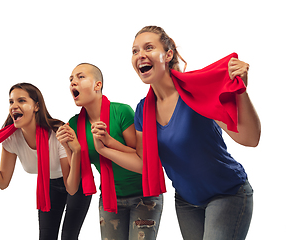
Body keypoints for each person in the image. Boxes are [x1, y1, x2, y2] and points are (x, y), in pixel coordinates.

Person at [94, 26, 261, 240]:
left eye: (149, 47)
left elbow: (250, 138)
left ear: (168, 55)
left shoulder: (196, 91)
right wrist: (105, 147)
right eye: (135, 51)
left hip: (227, 193)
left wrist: (241, 92)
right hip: (187, 202)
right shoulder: (143, 110)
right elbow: (144, 163)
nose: (140, 55)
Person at [0, 83, 91, 240]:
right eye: (11, 102)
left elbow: (71, 187)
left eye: (21, 101)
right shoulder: (12, 139)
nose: (14, 106)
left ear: (36, 106)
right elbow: (2, 181)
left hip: (77, 181)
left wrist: (76, 151)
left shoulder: (57, 133)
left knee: (68, 237)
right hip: (49, 184)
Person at [56, 63, 163, 240]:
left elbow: (141, 158)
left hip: (144, 195)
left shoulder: (121, 111)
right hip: (110, 199)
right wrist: (71, 149)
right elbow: (73, 187)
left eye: (80, 77)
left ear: (97, 85)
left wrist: (108, 143)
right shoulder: (74, 125)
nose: (73, 82)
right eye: (71, 79)